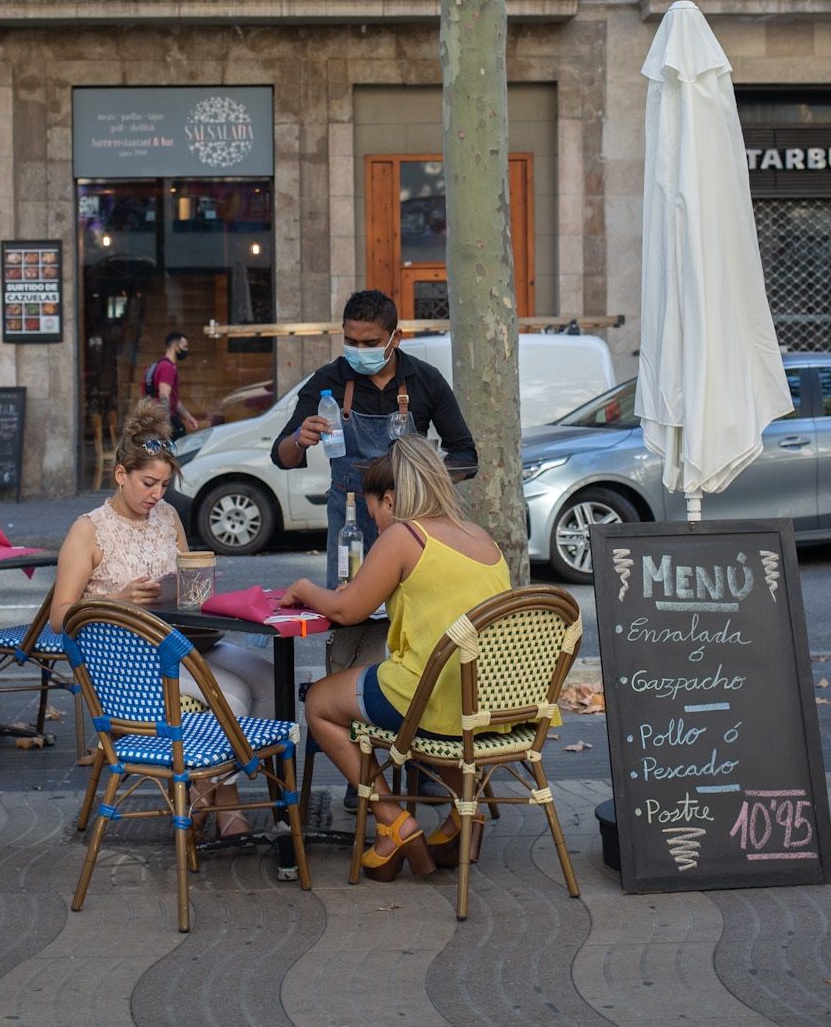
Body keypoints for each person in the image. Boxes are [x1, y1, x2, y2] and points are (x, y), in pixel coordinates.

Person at [280, 435, 511, 880]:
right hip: (485, 699)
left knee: (320, 705)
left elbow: (349, 610)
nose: (376, 523)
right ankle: (465, 813)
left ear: (389, 499)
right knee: (430, 706)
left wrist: (306, 590)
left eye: (374, 512)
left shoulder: (405, 535)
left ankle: (394, 820)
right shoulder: (481, 536)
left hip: (426, 697)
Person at [50, 397, 274, 835]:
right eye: (148, 483)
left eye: (165, 484)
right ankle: (224, 800)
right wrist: (118, 599)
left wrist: (198, 584)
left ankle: (230, 784)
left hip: (186, 640)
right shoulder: (88, 529)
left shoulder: (168, 516)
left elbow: (188, 585)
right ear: (121, 475)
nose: (157, 495)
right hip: (127, 661)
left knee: (268, 679)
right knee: (231, 698)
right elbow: (60, 618)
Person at [270, 289, 477, 588]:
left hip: (412, 517)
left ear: (395, 338)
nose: (359, 350)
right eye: (351, 343)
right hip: (350, 516)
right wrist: (300, 439)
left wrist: (422, 479)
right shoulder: (328, 381)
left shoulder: (426, 380)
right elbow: (281, 457)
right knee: (347, 601)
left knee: (409, 601)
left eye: (370, 344)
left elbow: (466, 457)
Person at [144, 330, 199, 435]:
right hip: (166, 420)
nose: (186, 350)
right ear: (176, 346)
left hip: (163, 418)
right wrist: (166, 427)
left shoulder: (163, 364)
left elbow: (174, 401)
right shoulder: (167, 367)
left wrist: (189, 417)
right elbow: (164, 397)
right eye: (185, 346)